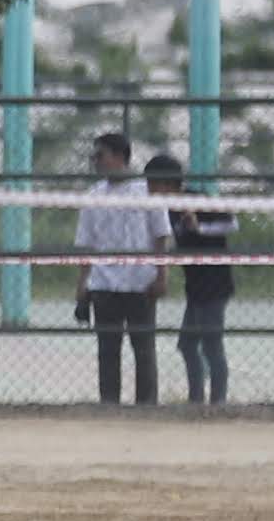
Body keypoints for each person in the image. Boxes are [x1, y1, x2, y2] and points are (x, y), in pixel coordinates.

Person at [74, 130, 163, 408]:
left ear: (119, 157)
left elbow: (161, 236)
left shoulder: (147, 192)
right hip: (104, 283)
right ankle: (109, 405)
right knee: (108, 350)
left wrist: (162, 276)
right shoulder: (92, 196)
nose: (96, 162)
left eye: (100, 156)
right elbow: (86, 244)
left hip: (140, 282)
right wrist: (82, 286)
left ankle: (146, 406)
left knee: (144, 349)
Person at [155, 148, 238, 407]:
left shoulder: (197, 199)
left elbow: (232, 223)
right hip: (196, 286)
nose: (149, 190)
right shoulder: (165, 210)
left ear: (167, 183)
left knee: (211, 343)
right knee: (188, 344)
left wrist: (200, 227)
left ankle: (218, 402)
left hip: (215, 283)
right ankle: (196, 400)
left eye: (153, 184)